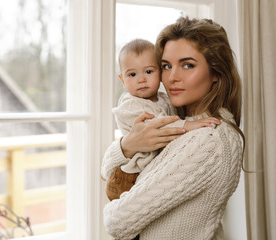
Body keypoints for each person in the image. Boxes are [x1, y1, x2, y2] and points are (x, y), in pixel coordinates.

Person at [101, 17, 244, 240]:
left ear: (216, 73)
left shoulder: (207, 138)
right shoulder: (172, 118)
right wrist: (127, 145)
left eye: (188, 65)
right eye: (166, 66)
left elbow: (116, 222)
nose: (172, 77)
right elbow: (107, 169)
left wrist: (114, 205)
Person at [107, 38, 220, 202]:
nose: (141, 79)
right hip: (133, 172)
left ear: (160, 73)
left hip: (154, 168)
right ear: (122, 80)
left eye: (148, 72)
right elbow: (158, 126)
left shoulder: (164, 98)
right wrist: (188, 125)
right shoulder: (130, 105)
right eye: (132, 74)